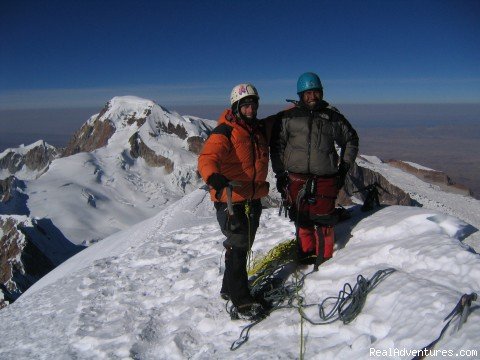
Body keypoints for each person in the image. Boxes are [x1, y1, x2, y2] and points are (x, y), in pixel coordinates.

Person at [268, 72, 359, 268]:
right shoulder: (288, 117)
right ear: (301, 94)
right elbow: (277, 145)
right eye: (308, 93)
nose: (312, 96)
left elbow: (351, 140)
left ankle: (323, 261)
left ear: (321, 93)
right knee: (302, 218)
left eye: (316, 92)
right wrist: (280, 173)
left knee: (324, 220)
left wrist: (343, 168)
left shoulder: (332, 117)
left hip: (325, 177)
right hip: (295, 178)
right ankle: (306, 255)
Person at [198, 83, 270, 320]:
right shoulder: (225, 132)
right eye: (245, 105)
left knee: (242, 244)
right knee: (239, 246)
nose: (250, 110)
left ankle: (228, 288)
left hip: (251, 198)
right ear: (236, 107)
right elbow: (208, 157)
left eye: (253, 105)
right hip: (230, 199)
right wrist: (213, 176)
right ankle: (242, 301)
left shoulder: (256, 131)